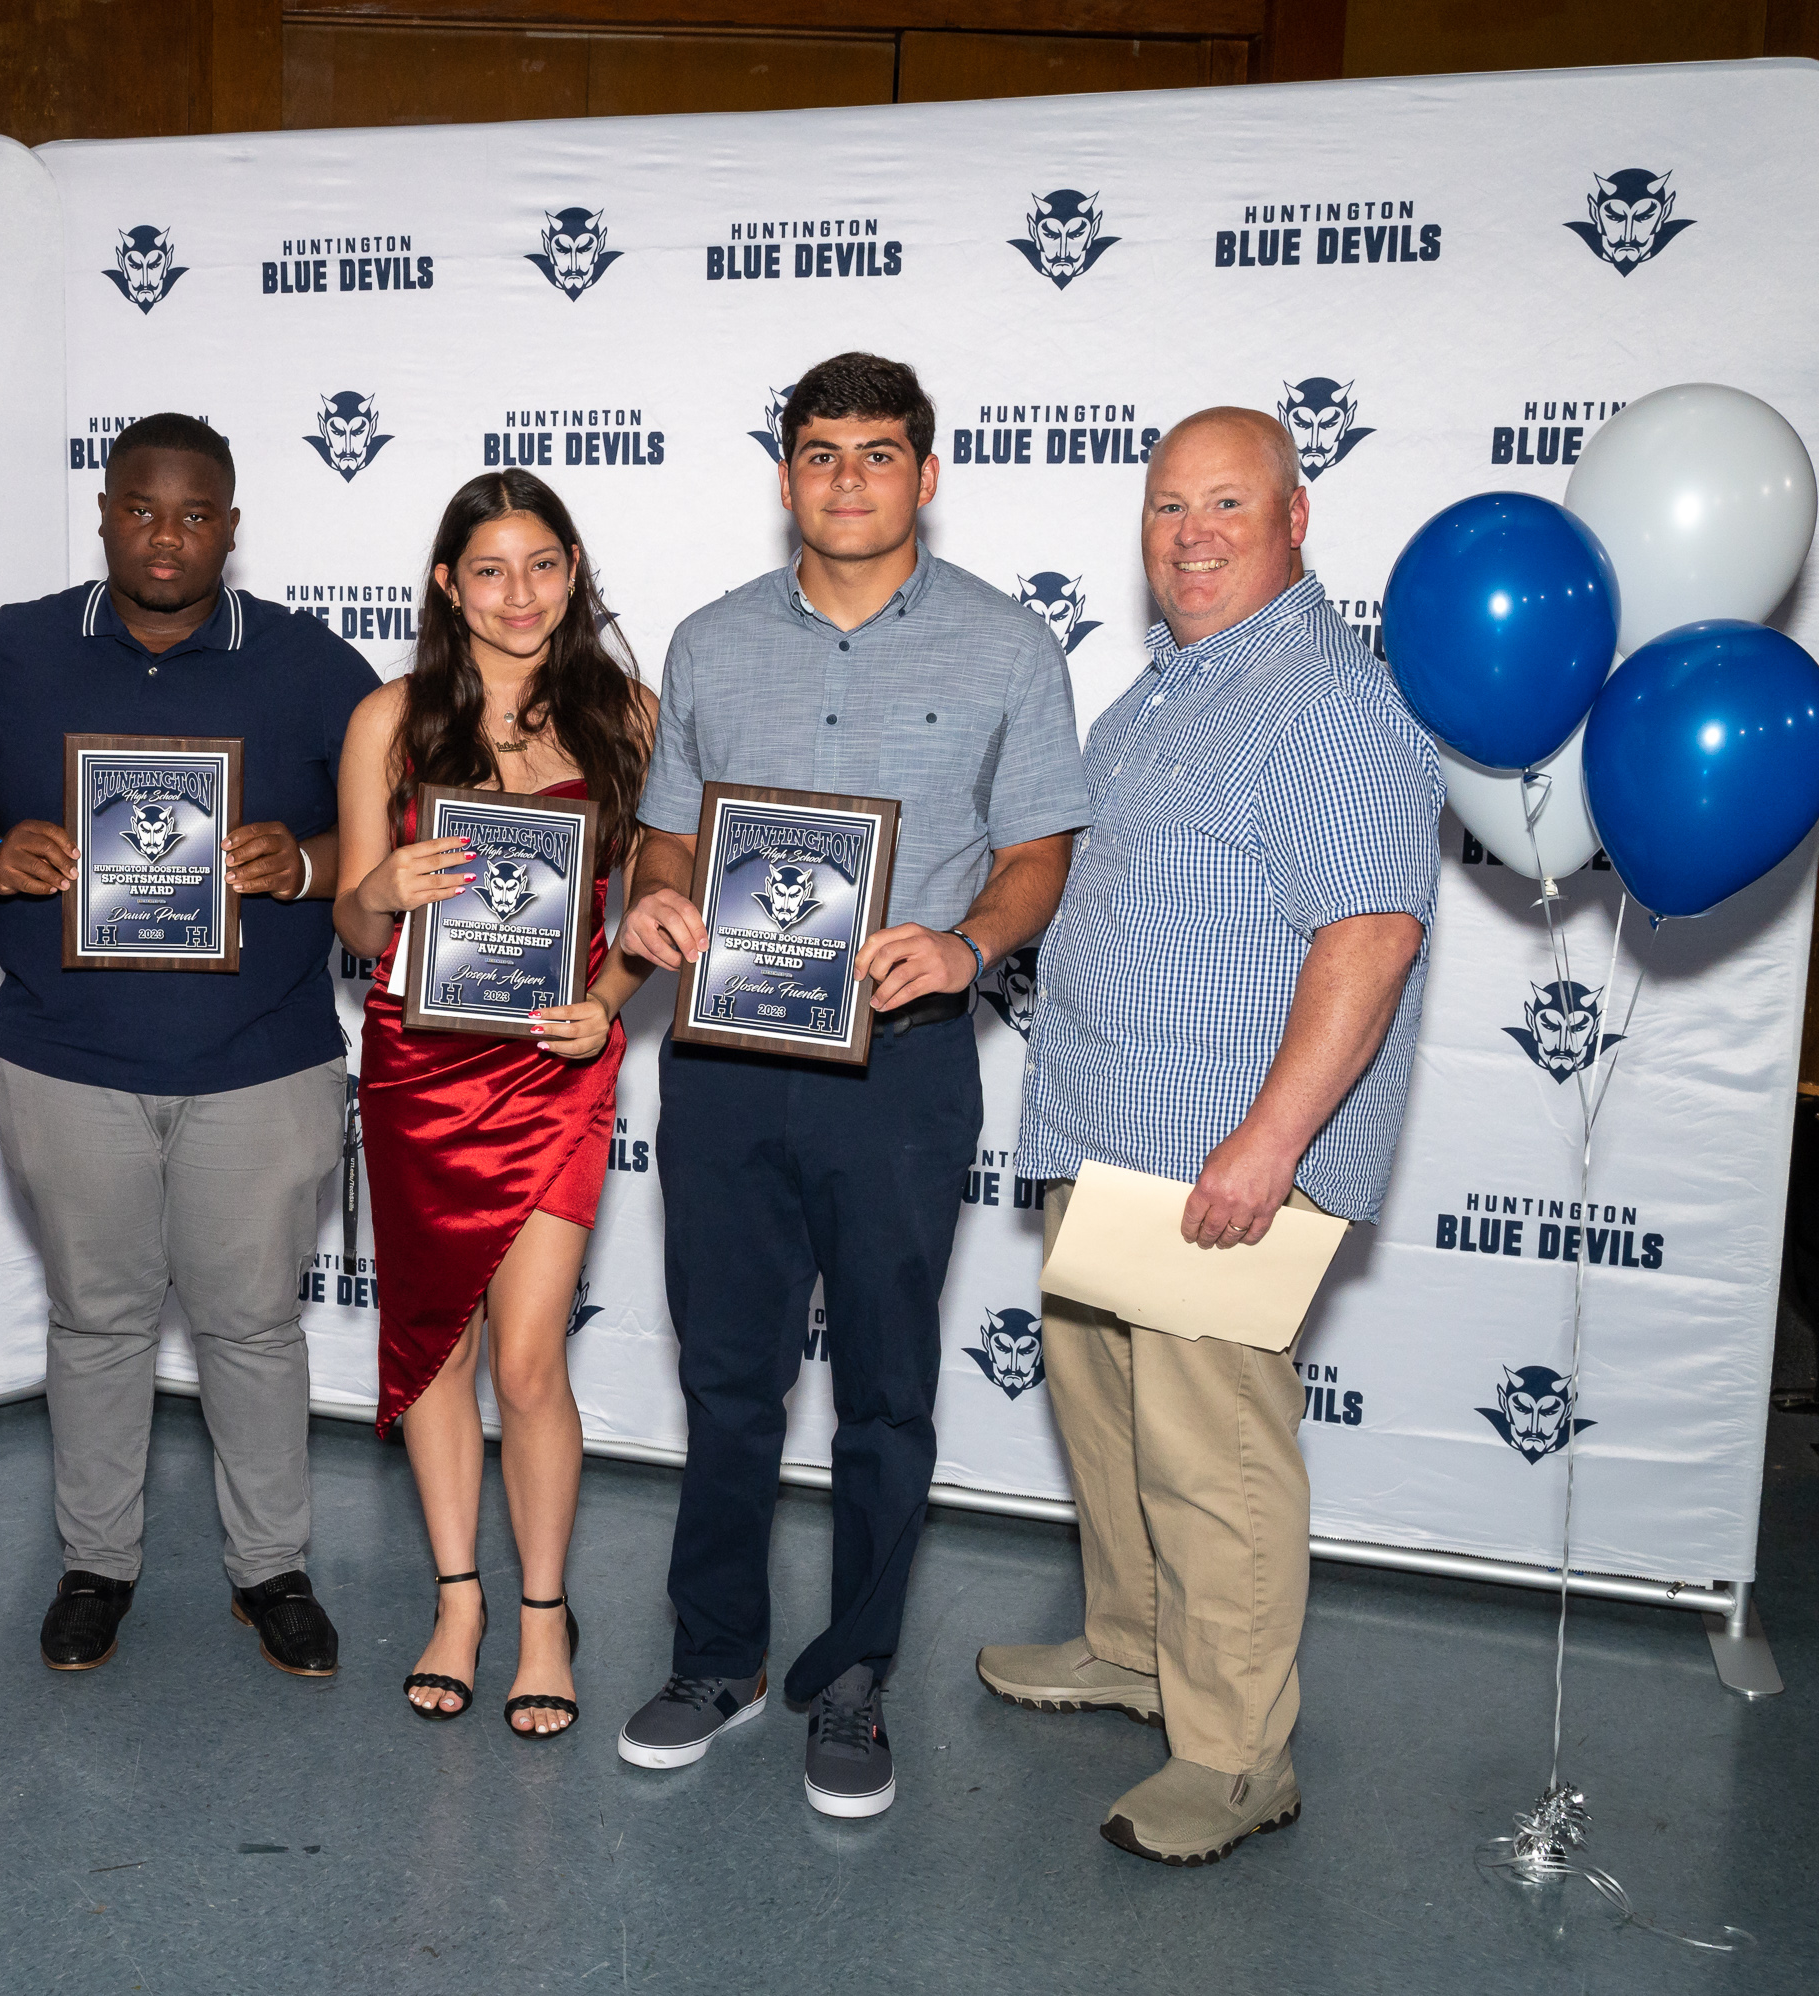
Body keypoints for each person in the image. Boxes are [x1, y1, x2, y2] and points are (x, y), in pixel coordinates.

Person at [613, 352, 1090, 1819]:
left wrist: (969, 942)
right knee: (726, 1376)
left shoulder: (1011, 647)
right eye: (820, 453)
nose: (848, 480)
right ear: (784, 475)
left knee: (886, 1386)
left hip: (905, 1062)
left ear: (926, 475)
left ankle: (860, 1673)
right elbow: (670, 839)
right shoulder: (705, 643)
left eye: (878, 454)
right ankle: (716, 1661)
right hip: (729, 1057)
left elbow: (1038, 852)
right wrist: (652, 900)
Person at [985, 407, 1442, 1866]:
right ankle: (1137, 1649)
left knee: (1216, 1462)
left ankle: (1240, 1756)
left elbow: (1368, 938)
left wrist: (1268, 1145)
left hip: (1218, 1163)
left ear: (1296, 521)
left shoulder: (1325, 697)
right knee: (1112, 1423)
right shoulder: (1172, 690)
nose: (1189, 533)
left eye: (1227, 505)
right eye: (1168, 504)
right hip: (1110, 1140)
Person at [0, 413, 378, 1678]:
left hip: (264, 1058)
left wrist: (312, 859)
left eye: (194, 513)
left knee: (254, 1328)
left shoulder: (309, 661)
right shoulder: (14, 647)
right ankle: (95, 1564)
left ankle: (269, 1567)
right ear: (106, 510)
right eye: (140, 508)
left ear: (231, 524)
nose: (165, 535)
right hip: (67, 1056)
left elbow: (386, 833)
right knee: (98, 1322)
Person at [333, 471, 655, 1738]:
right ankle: (457, 1601)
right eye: (488, 569)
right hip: (420, 1066)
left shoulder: (630, 713)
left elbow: (659, 905)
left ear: (573, 570)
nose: (516, 594)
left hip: (557, 1064)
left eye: (540, 565)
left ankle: (541, 1616)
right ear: (444, 584)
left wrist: (614, 998)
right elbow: (353, 915)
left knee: (528, 1363)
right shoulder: (390, 719)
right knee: (434, 1357)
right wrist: (389, 887)